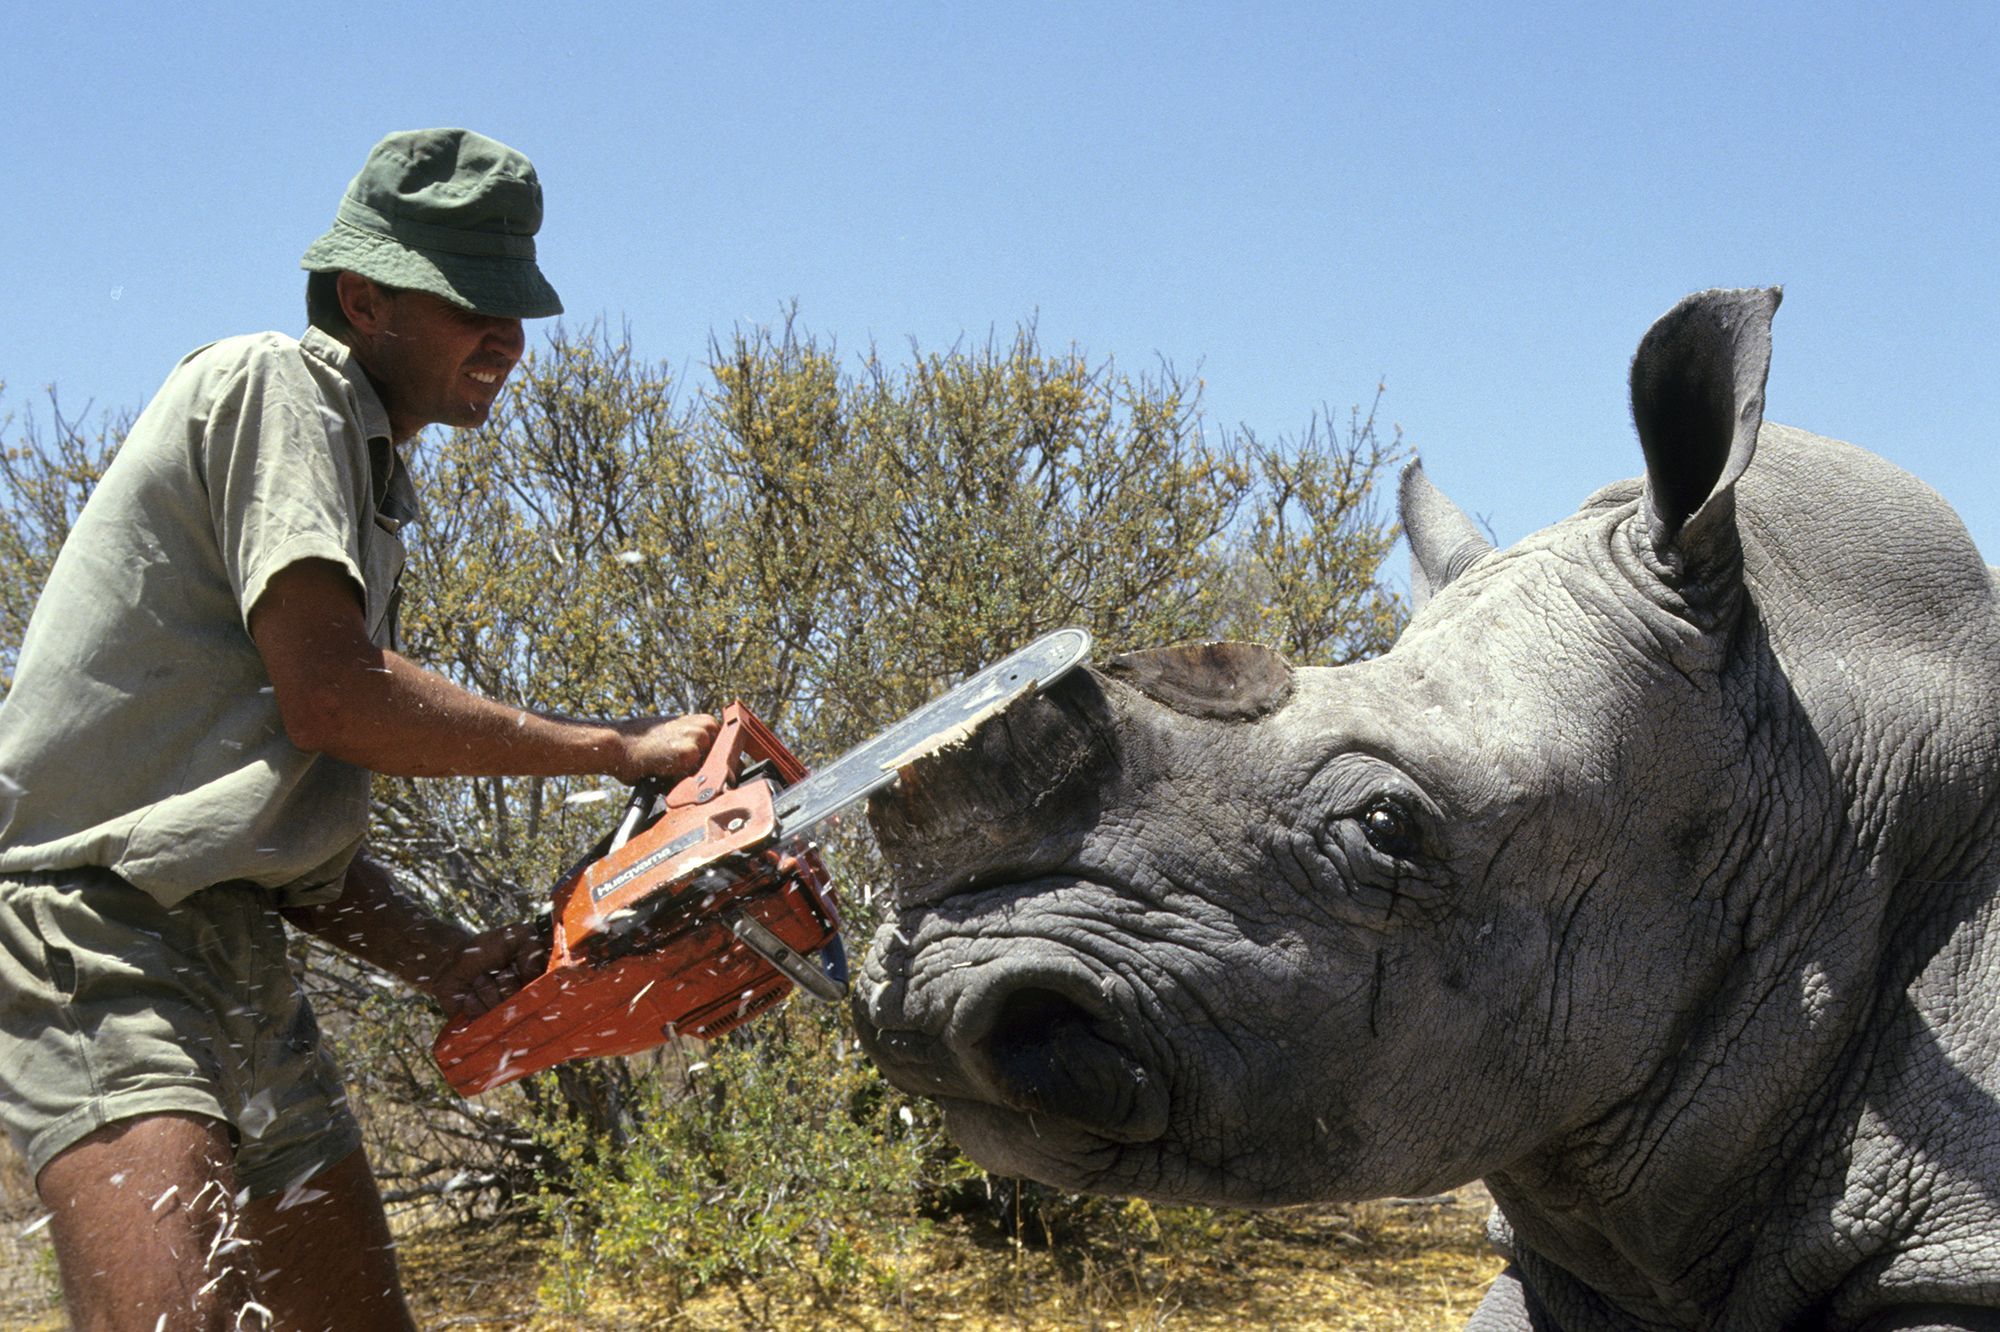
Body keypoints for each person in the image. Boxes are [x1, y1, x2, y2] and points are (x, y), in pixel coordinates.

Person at [0, 128, 717, 1331]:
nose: (506, 337)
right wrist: (614, 747)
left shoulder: (363, 476)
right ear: (365, 297)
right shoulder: (281, 384)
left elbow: (255, 812)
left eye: (516, 306)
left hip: (226, 937)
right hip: (92, 934)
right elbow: (335, 700)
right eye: (469, 303)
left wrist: (443, 957)